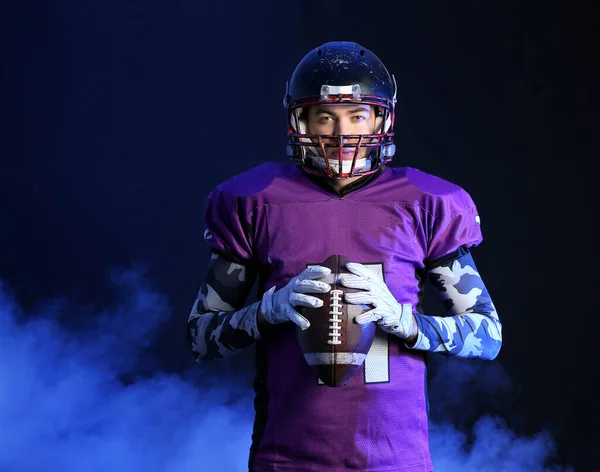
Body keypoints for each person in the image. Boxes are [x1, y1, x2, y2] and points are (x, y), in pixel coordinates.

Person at [187, 41, 502, 472]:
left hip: (396, 460)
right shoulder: (256, 201)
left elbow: (487, 335)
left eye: (357, 115)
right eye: (325, 117)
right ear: (300, 120)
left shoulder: (427, 203)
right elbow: (200, 338)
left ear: (382, 117)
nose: (341, 134)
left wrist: (409, 324)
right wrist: (264, 312)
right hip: (288, 459)